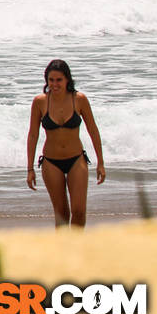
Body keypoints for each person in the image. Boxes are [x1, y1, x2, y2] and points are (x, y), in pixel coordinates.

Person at [26, 59, 105, 227]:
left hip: (76, 159)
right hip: (51, 162)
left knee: (79, 211)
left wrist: (101, 163)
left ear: (67, 79)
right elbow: (33, 135)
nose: (55, 84)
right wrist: (30, 169)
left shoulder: (80, 99)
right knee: (61, 213)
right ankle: (62, 252)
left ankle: (77, 249)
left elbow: (93, 131)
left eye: (59, 80)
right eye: (51, 80)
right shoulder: (40, 102)